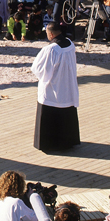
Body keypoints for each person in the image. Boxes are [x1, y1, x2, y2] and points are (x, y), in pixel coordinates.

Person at [31, 23, 80, 152]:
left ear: (51, 34)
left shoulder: (52, 49)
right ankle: (67, 141)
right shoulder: (70, 44)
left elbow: (41, 69)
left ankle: (50, 143)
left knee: (51, 107)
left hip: (54, 87)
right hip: (67, 85)